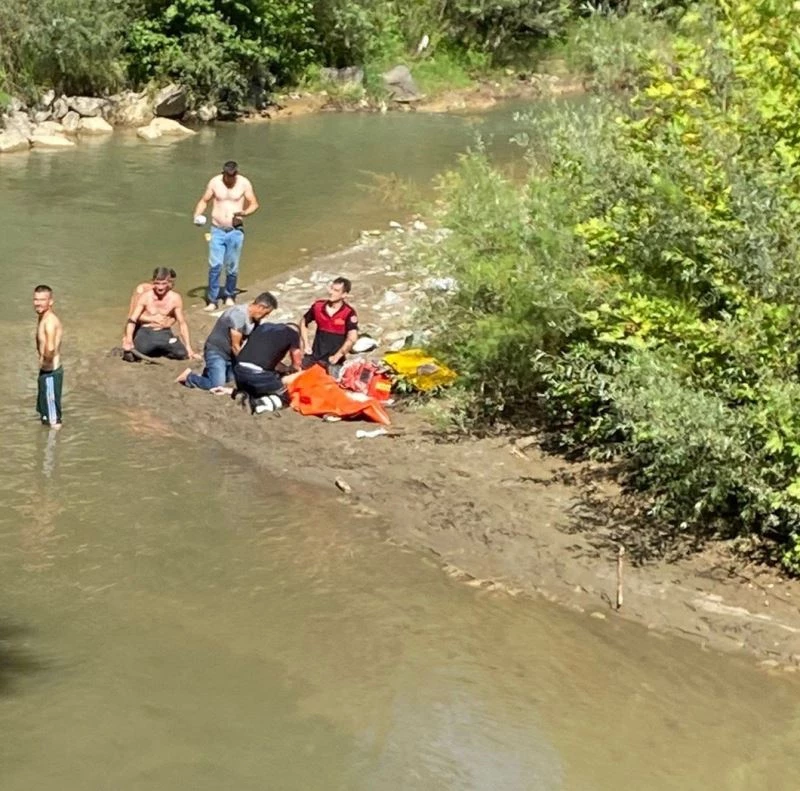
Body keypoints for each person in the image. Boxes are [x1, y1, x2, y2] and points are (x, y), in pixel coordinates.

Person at [193, 160, 259, 312]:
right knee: (215, 266)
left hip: (235, 230)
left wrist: (244, 213)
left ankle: (229, 295)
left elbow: (254, 203)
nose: (230, 178)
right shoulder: (215, 182)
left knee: (232, 267)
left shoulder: (244, 183)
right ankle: (212, 300)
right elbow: (204, 200)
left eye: (232, 175)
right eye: (227, 176)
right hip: (217, 229)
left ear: (236, 174)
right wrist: (197, 215)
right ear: (223, 173)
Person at [176, 292, 277, 390]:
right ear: (260, 307)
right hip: (217, 351)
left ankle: (209, 372)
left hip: (231, 355)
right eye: (266, 313)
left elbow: (255, 341)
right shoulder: (239, 314)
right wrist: (247, 364)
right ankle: (189, 377)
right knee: (216, 385)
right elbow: (235, 346)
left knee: (231, 378)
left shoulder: (255, 319)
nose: (266, 316)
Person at [123, 267, 198, 361]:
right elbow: (132, 319)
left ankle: (158, 349)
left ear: (169, 283)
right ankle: (151, 348)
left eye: (163, 283)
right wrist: (128, 339)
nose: (160, 287)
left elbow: (182, 323)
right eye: (157, 283)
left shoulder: (175, 298)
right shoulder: (145, 296)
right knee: (132, 355)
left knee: (182, 354)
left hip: (164, 332)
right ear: (153, 282)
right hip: (147, 331)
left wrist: (189, 348)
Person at [233, 322, 303, 412]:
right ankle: (257, 404)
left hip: (239, 371)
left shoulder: (263, 327)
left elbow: (264, 357)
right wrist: (296, 370)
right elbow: (296, 358)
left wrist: (286, 368)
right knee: (286, 397)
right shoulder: (293, 333)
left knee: (259, 389)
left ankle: (245, 393)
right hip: (257, 375)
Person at [299, 277, 358, 375]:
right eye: (331, 288)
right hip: (314, 357)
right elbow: (304, 321)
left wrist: (338, 355)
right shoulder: (318, 306)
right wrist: (306, 344)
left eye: (336, 290)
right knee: (297, 376)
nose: (331, 292)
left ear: (344, 294)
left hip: (334, 361)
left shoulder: (349, 313)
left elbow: (352, 338)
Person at [33, 284, 64, 428]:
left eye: (42, 300)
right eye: (36, 299)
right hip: (45, 374)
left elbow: (50, 348)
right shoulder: (43, 317)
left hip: (50, 373)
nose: (38, 303)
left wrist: (45, 363)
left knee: (54, 421)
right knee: (45, 415)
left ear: (50, 301)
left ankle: (55, 443)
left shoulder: (50, 321)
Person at [124, 268, 177, 342]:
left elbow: (174, 315)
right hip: (138, 323)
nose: (171, 286)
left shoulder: (169, 294)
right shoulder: (144, 289)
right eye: (170, 282)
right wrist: (153, 319)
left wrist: (168, 323)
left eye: (172, 283)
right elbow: (132, 316)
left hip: (155, 327)